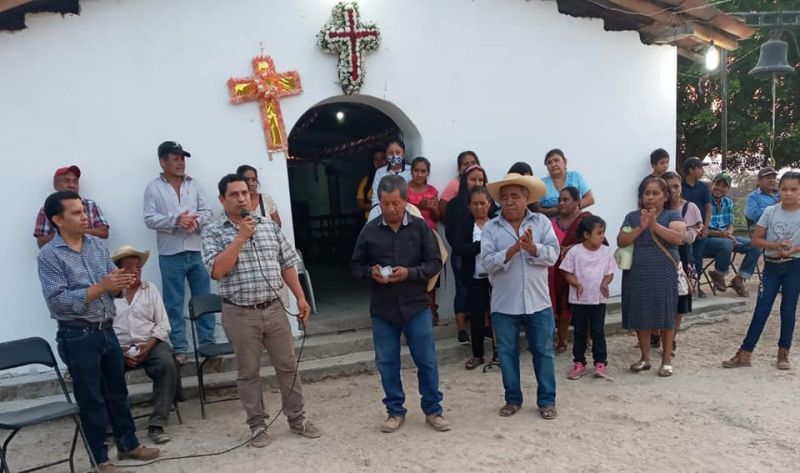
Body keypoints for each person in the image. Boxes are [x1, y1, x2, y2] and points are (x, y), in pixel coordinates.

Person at [37, 191, 160, 472]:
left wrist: (120, 282)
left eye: (84, 211)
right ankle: (99, 459)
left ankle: (128, 445)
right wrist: (102, 287)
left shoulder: (95, 245)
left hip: (107, 331)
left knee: (117, 392)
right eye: (76, 213)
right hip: (77, 335)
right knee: (91, 398)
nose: (85, 217)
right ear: (57, 219)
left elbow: (111, 286)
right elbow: (58, 301)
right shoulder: (49, 255)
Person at [201, 174, 320, 447]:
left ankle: (297, 418)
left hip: (274, 308)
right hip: (240, 313)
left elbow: (288, 263)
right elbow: (218, 271)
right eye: (234, 194)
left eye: (245, 192)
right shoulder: (212, 231)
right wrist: (241, 237)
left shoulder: (267, 225)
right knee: (248, 372)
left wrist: (301, 297)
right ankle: (257, 425)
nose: (242, 197)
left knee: (288, 366)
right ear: (222, 199)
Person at [350, 175, 450, 433]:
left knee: (426, 360)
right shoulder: (370, 231)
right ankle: (395, 411)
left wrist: (410, 273)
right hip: (383, 309)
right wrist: (368, 272)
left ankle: (433, 410)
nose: (391, 209)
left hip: (416, 305)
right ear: (379, 203)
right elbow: (354, 266)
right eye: (385, 204)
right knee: (386, 363)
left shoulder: (419, 228)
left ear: (405, 201)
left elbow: (434, 262)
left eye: (396, 203)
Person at [481, 173, 559, 420]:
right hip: (504, 303)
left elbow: (554, 255)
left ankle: (547, 401)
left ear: (527, 198)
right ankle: (512, 399)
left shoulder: (542, 223)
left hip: (539, 302)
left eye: (516, 196)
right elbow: (486, 264)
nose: (510, 201)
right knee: (506, 353)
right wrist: (513, 250)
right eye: (504, 197)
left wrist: (532, 248)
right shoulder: (491, 228)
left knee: (543, 352)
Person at [143, 141, 214, 361]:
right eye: (175, 159)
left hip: (196, 249)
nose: (180, 163)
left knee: (203, 298)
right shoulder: (153, 187)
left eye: (182, 158)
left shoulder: (196, 185)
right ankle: (180, 347)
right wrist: (176, 220)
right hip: (170, 253)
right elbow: (149, 218)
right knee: (173, 302)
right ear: (163, 161)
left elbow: (208, 211)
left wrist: (196, 221)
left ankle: (207, 345)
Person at [722, 172, 800, 371]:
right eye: (784, 189)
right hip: (772, 265)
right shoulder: (770, 212)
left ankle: (783, 352)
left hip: (794, 266)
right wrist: (775, 245)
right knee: (761, 309)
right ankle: (745, 353)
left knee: (788, 310)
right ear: (778, 191)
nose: (788, 193)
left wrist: (794, 249)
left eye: (794, 189)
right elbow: (756, 240)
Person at [617, 177, 686, 377]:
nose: (650, 197)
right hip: (637, 271)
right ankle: (645, 358)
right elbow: (621, 240)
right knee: (641, 314)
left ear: (665, 197)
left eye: (655, 193)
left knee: (666, 315)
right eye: (646, 193)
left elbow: (677, 238)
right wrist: (641, 227)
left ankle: (666, 360)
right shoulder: (632, 217)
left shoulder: (673, 215)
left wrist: (654, 225)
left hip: (664, 271)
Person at [111, 245, 178, 445]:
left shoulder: (150, 289)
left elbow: (163, 324)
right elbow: (103, 328)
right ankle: (116, 426)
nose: (135, 271)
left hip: (150, 343)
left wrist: (147, 348)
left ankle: (157, 423)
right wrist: (120, 351)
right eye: (129, 266)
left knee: (166, 363)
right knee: (105, 369)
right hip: (118, 347)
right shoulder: (108, 294)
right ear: (118, 270)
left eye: (138, 267)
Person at [559, 215, 616, 380]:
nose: (602, 236)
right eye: (598, 233)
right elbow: (567, 272)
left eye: (603, 233)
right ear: (586, 235)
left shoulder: (606, 252)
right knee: (579, 332)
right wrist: (576, 284)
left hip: (598, 299)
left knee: (598, 331)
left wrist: (605, 283)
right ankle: (579, 362)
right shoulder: (575, 251)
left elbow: (610, 272)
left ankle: (600, 362)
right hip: (579, 300)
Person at [450, 186, 499, 370]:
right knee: (477, 318)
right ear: (469, 206)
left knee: (496, 316)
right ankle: (477, 354)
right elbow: (459, 249)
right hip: (475, 277)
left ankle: (498, 353)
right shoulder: (464, 226)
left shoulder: (496, 223)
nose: (479, 207)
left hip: (496, 278)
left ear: (489, 204)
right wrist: (481, 246)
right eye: (475, 204)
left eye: (482, 203)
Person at [445, 164, 490, 344]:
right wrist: (477, 247)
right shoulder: (455, 204)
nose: (477, 182)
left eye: (480, 180)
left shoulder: (491, 205)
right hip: (462, 256)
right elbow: (451, 234)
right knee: (463, 291)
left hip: (488, 265)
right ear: (464, 181)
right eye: (473, 179)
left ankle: (487, 328)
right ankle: (462, 329)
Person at [549, 187, 594, 354]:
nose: (561, 203)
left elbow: (598, 241)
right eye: (559, 200)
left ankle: (588, 340)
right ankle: (562, 341)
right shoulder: (551, 223)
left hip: (583, 271)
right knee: (562, 308)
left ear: (577, 202)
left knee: (585, 306)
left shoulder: (587, 221)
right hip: (558, 271)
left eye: (566, 199)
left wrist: (572, 248)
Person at [663, 171, 703, 355]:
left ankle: (672, 339)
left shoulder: (689, 208)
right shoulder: (658, 209)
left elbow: (690, 236)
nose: (673, 191)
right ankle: (658, 334)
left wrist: (676, 235)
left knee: (679, 298)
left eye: (676, 186)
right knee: (661, 297)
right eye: (668, 187)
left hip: (682, 257)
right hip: (661, 256)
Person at [703, 172, 761, 297]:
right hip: (708, 239)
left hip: (725, 238)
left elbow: (731, 224)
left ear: (728, 189)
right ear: (712, 184)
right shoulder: (704, 201)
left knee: (756, 245)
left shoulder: (728, 202)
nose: (719, 188)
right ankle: (719, 274)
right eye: (717, 184)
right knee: (727, 243)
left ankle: (739, 279)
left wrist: (729, 232)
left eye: (724, 186)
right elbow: (702, 229)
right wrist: (722, 235)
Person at [34, 165, 109, 248]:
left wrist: (77, 230)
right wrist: (66, 232)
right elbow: (41, 242)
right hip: (61, 257)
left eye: (75, 181)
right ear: (55, 184)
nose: (72, 185)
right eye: (66, 181)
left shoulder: (90, 205)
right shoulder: (46, 210)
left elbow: (104, 232)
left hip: (91, 255)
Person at [407, 157, 442, 322]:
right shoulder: (404, 190)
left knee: (431, 274)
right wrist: (417, 207)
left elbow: (438, 217)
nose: (419, 174)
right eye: (416, 170)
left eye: (423, 171)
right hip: (410, 238)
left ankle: (431, 309)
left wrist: (431, 208)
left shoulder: (432, 191)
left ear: (428, 173)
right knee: (413, 274)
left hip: (430, 235)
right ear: (411, 171)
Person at [681, 157, 711, 297]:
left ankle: (697, 284)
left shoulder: (704, 187)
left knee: (698, 256)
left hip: (700, 229)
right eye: (700, 167)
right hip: (686, 229)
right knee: (686, 256)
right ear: (691, 170)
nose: (702, 170)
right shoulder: (680, 186)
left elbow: (708, 208)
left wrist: (705, 227)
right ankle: (685, 284)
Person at [533, 148, 594, 217]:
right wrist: (558, 209)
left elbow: (590, 199)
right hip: (550, 224)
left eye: (556, 160)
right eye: (549, 162)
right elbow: (537, 209)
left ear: (565, 162)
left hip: (575, 220)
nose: (553, 164)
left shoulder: (575, 176)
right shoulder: (541, 183)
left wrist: (571, 208)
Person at [438, 150, 480, 220]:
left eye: (473, 163)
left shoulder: (482, 181)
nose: (470, 166)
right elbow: (443, 206)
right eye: (466, 164)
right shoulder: (455, 184)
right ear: (459, 169)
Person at [370, 139, 412, 208]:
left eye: (397, 152)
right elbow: (376, 198)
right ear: (386, 154)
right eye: (390, 153)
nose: (394, 155)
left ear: (403, 153)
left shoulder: (411, 171)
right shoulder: (380, 173)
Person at [356, 148, 387, 219]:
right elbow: (360, 202)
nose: (379, 162)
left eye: (382, 158)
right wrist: (377, 207)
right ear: (372, 162)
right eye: (376, 159)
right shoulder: (366, 181)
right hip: (373, 221)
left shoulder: (394, 177)